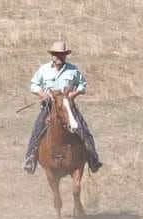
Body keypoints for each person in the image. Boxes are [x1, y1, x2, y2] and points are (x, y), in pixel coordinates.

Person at [22, 40, 102, 174]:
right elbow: (34, 85)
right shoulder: (44, 70)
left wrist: (73, 95)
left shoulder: (73, 70)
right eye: (56, 54)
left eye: (62, 54)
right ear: (52, 55)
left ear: (65, 55)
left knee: (84, 130)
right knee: (37, 131)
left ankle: (93, 158)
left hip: (67, 107)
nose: (59, 57)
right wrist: (42, 94)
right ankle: (30, 159)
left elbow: (82, 85)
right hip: (49, 107)